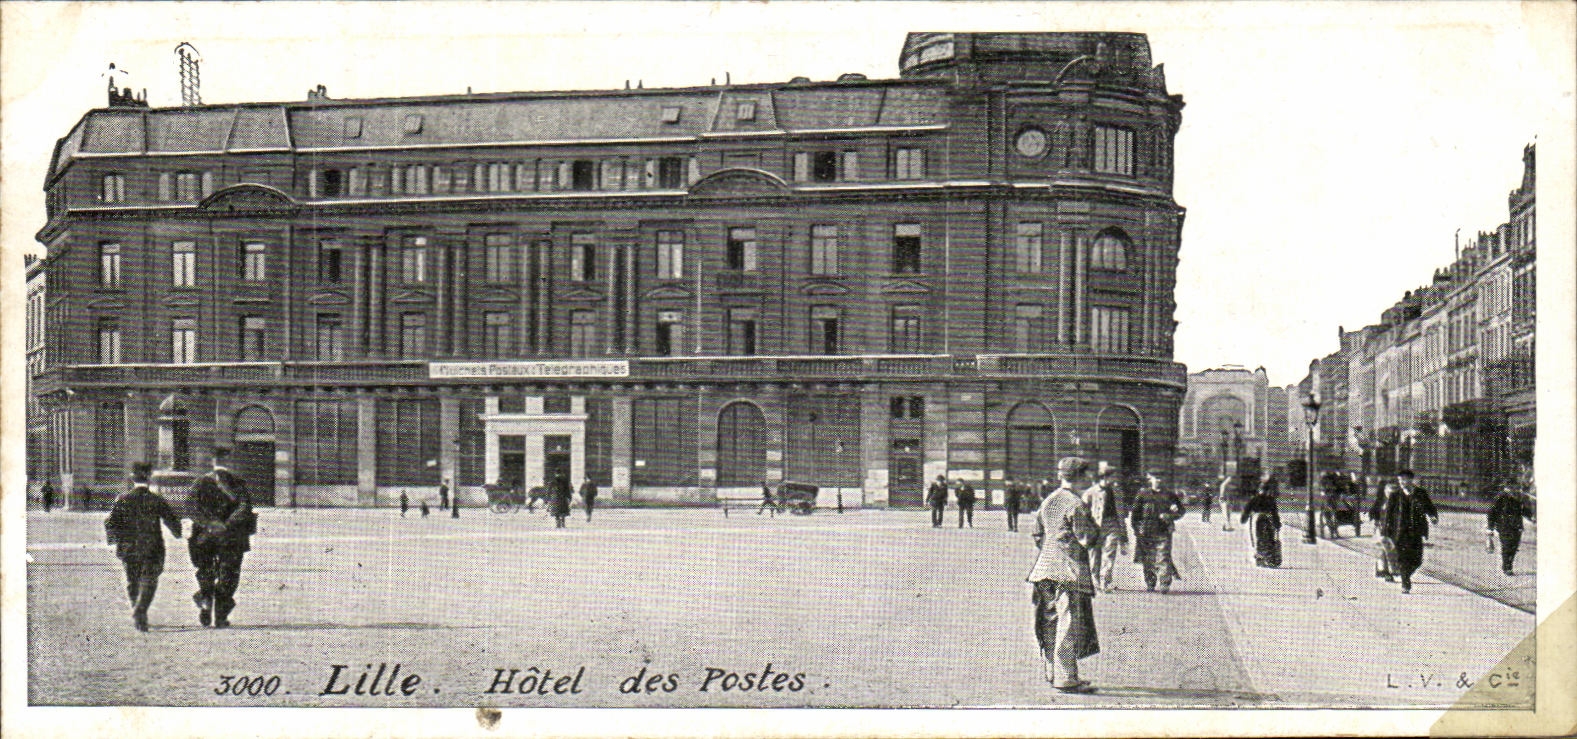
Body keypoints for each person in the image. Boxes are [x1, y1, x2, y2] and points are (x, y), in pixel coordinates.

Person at [1026, 456, 1101, 694]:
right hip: (1068, 574)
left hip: (1043, 571)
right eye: (1087, 474)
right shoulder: (1075, 504)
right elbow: (1086, 538)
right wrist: (1094, 527)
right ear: (1080, 476)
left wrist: (1051, 549)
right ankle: (1066, 678)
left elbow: (1037, 534)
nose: (1090, 478)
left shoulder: (1049, 500)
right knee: (1068, 625)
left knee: (1049, 623)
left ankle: (1051, 672)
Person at [105, 462, 183, 631]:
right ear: (149, 479)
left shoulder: (122, 499)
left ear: (132, 479)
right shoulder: (156, 499)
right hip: (152, 547)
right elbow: (172, 519)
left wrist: (117, 541)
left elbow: (110, 523)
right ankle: (140, 610)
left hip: (128, 548)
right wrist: (177, 532)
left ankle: (138, 612)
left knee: (132, 581)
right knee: (149, 580)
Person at [187, 448, 255, 628]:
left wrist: (209, 524)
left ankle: (205, 598)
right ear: (230, 462)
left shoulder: (200, 483)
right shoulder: (237, 483)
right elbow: (245, 507)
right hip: (231, 536)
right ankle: (221, 615)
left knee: (205, 569)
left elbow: (191, 507)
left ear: (213, 461)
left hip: (205, 535)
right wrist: (227, 524)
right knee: (229, 574)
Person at [1374, 470, 1438, 593]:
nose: (1402, 482)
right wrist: (1385, 532)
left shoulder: (1421, 493)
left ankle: (1405, 575)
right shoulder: (1395, 495)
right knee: (1403, 559)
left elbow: (1430, 507)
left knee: (1417, 560)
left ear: (1411, 480)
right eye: (1400, 480)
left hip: (1416, 531)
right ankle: (1405, 582)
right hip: (1399, 532)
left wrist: (1433, 516)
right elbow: (1388, 515)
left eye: (1404, 479)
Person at [1129, 472, 1185, 593]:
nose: (1158, 480)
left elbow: (1181, 510)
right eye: (1156, 478)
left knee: (1163, 557)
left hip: (1163, 531)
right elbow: (1135, 514)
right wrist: (1137, 529)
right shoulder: (1143, 494)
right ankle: (1150, 582)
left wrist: (1170, 515)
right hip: (1146, 532)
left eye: (1160, 477)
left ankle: (1164, 583)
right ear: (1151, 479)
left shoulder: (1169, 495)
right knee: (1148, 559)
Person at [1081, 463, 1128, 593]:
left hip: (1113, 525)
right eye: (1112, 476)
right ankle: (1094, 580)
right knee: (1094, 555)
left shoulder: (1117, 492)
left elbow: (1121, 513)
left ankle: (1105, 581)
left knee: (1110, 553)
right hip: (1095, 526)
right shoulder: (1090, 492)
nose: (1114, 479)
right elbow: (1082, 510)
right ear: (1104, 477)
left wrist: (1124, 535)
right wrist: (1085, 527)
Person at [1487, 484, 1535, 575]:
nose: (1514, 490)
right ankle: (1507, 567)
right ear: (1506, 489)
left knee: (1514, 547)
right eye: (1511, 488)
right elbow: (1492, 513)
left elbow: (1523, 510)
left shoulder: (1518, 498)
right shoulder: (1500, 498)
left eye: (1515, 488)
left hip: (1517, 527)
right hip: (1504, 527)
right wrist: (1490, 528)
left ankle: (1509, 565)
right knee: (1506, 546)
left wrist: (1531, 517)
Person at [1239, 473, 1282, 567]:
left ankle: (1259, 557)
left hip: (1256, 519)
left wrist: (1243, 519)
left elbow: (1247, 510)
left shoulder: (1254, 499)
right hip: (1268, 519)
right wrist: (1277, 524)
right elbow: (1274, 513)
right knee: (1269, 537)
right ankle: (1268, 556)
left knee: (1257, 537)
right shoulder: (1271, 500)